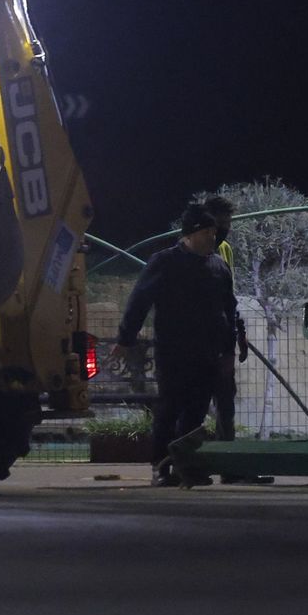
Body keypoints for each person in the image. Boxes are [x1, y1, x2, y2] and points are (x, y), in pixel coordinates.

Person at [110, 204, 238, 487]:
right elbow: (139, 300)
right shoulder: (165, 262)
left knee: (196, 411)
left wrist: (229, 350)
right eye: (206, 232)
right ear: (190, 234)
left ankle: (186, 466)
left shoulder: (218, 266)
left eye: (214, 232)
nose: (212, 238)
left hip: (208, 354)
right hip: (174, 352)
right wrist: (125, 338)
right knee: (169, 408)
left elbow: (229, 311)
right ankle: (161, 466)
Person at [202, 195, 265, 485]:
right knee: (195, 404)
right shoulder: (190, 251)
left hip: (222, 340)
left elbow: (229, 296)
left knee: (226, 403)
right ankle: (184, 464)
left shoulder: (223, 249)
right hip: (197, 343)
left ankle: (228, 465)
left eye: (228, 224)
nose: (225, 229)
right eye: (220, 224)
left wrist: (238, 331)